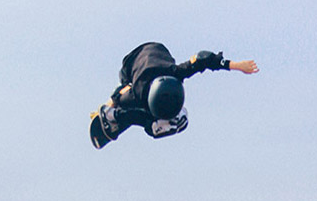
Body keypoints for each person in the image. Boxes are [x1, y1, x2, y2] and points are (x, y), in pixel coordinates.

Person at [90, 42, 259, 149]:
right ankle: (120, 118)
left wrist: (237, 65)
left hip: (156, 55)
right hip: (131, 64)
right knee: (144, 120)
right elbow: (117, 98)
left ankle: (150, 120)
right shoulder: (139, 90)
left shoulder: (174, 75)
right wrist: (107, 111)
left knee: (147, 120)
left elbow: (203, 58)